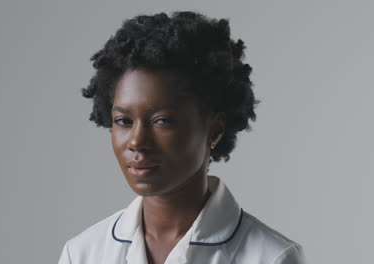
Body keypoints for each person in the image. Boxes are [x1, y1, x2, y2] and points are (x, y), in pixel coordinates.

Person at [59, 11, 305, 264]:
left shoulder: (270, 257)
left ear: (215, 130)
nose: (136, 141)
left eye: (162, 121)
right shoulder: (82, 254)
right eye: (124, 121)